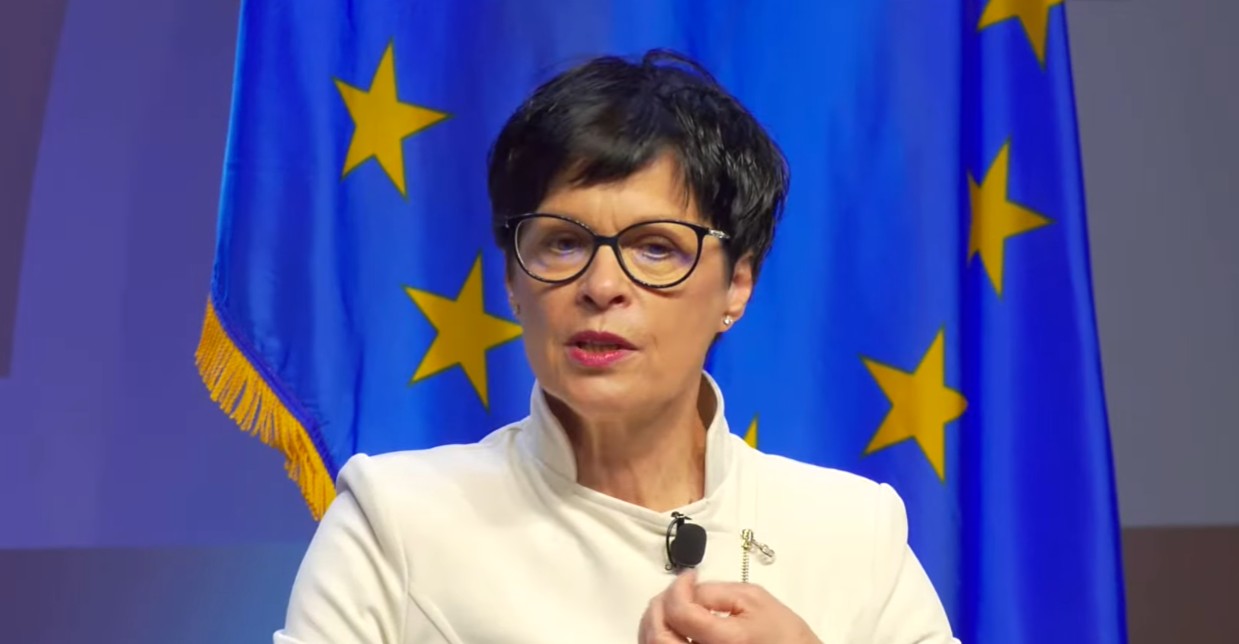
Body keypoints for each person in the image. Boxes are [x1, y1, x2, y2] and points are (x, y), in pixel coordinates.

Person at [274, 49, 959, 644]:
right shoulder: (396, 523)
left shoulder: (851, 531)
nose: (601, 286)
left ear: (737, 285)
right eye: (562, 243)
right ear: (512, 280)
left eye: (655, 248)